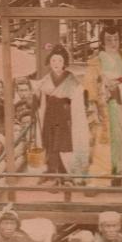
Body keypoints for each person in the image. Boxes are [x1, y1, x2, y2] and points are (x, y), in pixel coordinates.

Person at [83, 24, 122, 179]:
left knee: (121, 134)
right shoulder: (96, 61)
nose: (113, 42)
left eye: (116, 38)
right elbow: (89, 82)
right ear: (102, 41)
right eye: (108, 39)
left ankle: (120, 168)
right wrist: (103, 82)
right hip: (104, 101)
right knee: (105, 135)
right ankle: (104, 171)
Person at [37, 44, 89, 176]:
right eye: (53, 60)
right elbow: (40, 95)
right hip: (50, 114)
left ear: (64, 62)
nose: (56, 63)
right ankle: (52, 169)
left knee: (61, 143)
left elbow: (79, 95)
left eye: (59, 60)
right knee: (50, 141)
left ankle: (64, 171)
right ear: (49, 62)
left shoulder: (71, 78)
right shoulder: (46, 79)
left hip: (64, 114)